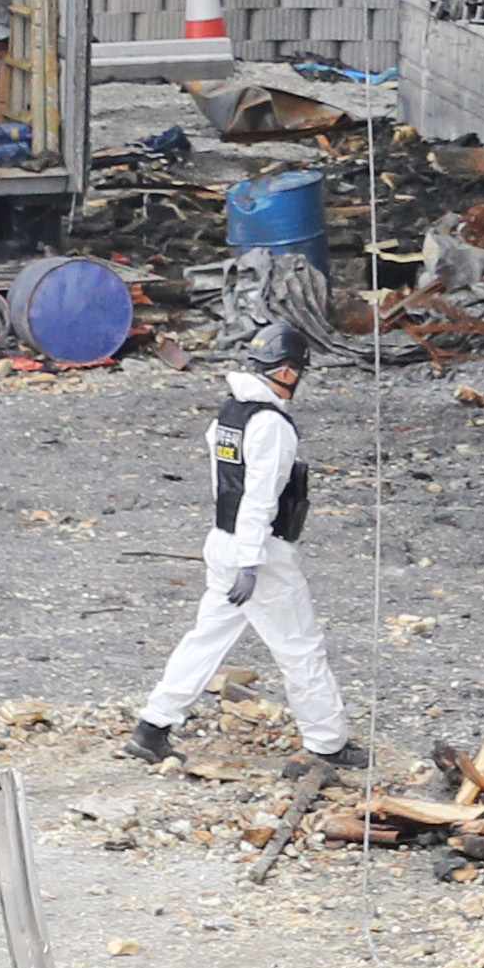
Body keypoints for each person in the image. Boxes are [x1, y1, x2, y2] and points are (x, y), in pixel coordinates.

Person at [125, 323, 363, 772]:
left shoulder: (230, 413)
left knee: (208, 638)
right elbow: (260, 498)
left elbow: (226, 485)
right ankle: (328, 742)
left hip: (222, 540)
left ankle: (152, 726)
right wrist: (251, 562)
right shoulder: (272, 425)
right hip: (259, 554)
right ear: (289, 371)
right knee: (300, 647)